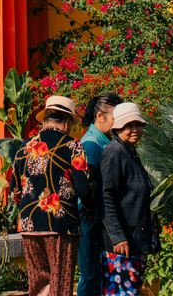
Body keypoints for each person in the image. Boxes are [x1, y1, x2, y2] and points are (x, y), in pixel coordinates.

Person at [11, 95, 86, 296]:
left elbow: (15, 193)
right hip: (60, 223)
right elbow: (84, 189)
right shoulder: (73, 146)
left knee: (39, 285)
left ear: (44, 120)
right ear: (68, 122)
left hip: (29, 224)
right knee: (60, 284)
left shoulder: (23, 149)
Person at [99, 102, 156, 296]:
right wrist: (118, 236)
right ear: (118, 128)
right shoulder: (114, 153)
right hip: (121, 244)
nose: (135, 130)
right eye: (128, 126)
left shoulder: (129, 152)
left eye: (138, 125)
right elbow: (105, 196)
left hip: (134, 240)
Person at [76, 93, 122, 296]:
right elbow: (89, 181)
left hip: (95, 215)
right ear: (99, 117)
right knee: (90, 272)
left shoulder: (104, 139)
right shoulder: (92, 143)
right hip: (89, 215)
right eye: (114, 116)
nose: (118, 122)